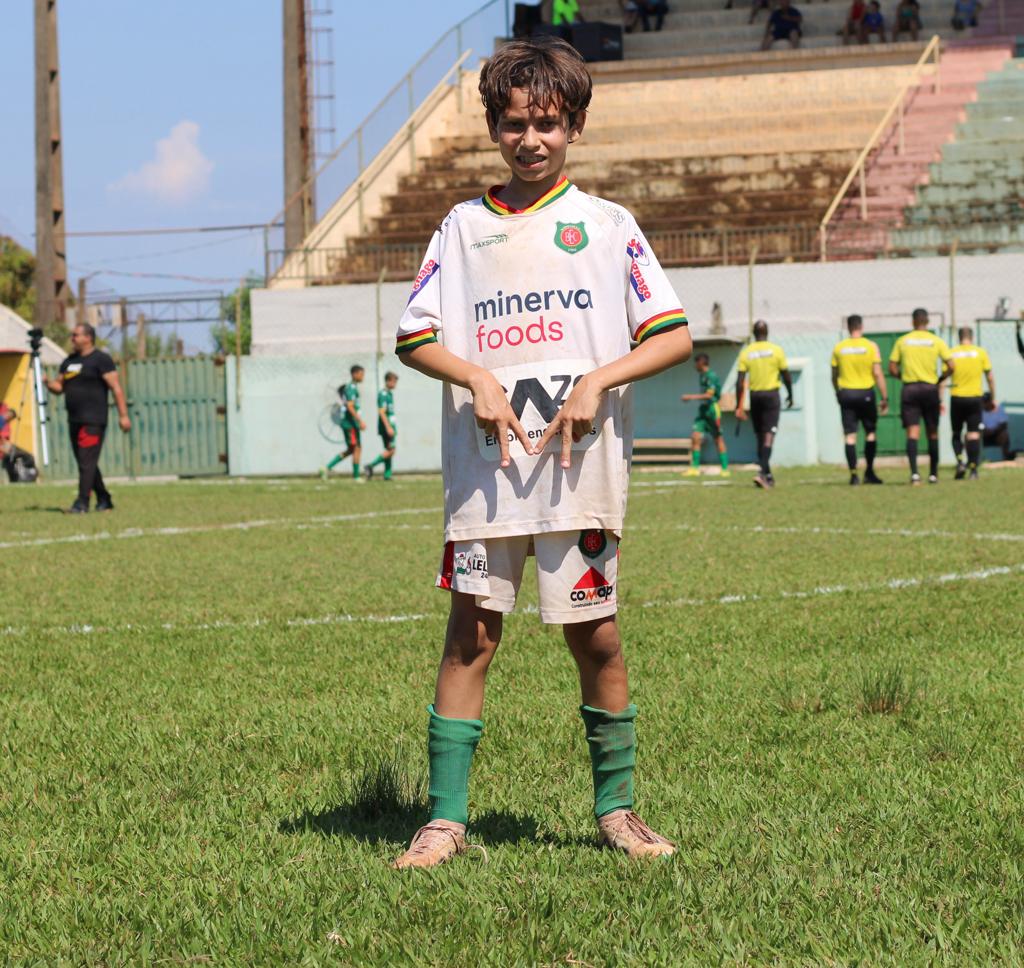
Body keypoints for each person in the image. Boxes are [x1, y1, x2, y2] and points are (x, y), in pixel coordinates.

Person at [391, 36, 692, 869]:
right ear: (495, 128)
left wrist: (600, 379)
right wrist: (476, 379)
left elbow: (670, 334)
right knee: (472, 635)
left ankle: (619, 812)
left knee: (595, 635)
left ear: (576, 126)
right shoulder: (461, 229)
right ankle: (445, 820)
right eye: (515, 124)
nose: (531, 140)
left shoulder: (607, 227)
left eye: (548, 124)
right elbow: (414, 335)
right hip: (487, 478)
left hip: (578, 472)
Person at [44, 323, 130, 513]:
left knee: (86, 461)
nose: (72, 338)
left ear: (88, 337)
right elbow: (59, 387)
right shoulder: (69, 361)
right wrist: (47, 383)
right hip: (74, 419)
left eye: (75, 335)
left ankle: (82, 503)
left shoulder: (101, 359)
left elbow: (116, 387)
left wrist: (123, 415)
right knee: (86, 462)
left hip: (94, 420)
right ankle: (104, 498)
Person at [888, 308, 953, 485]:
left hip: (910, 389)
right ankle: (933, 474)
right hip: (930, 388)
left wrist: (902, 377)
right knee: (932, 432)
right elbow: (952, 365)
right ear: (928, 322)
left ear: (913, 322)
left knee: (912, 432)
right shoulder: (936, 341)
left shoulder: (903, 341)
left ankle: (915, 474)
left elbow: (892, 367)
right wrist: (940, 379)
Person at [831, 314, 888, 485]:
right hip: (866, 394)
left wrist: (837, 392)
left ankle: (854, 474)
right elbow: (877, 373)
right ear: (861, 327)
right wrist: (885, 396)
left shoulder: (839, 348)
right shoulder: (871, 346)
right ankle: (869, 471)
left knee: (850, 435)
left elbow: (834, 375)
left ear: (848, 328)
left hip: (846, 393)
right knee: (870, 433)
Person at [735, 320, 792, 488]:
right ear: (767, 332)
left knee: (760, 435)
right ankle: (762, 472)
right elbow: (786, 375)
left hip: (755, 396)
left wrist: (739, 404)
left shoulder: (747, 352)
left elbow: (739, 381)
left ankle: (767, 475)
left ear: (753, 333)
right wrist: (791, 394)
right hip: (771, 395)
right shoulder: (776, 350)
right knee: (769, 435)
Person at [948, 327, 995, 480]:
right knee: (973, 434)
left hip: (957, 397)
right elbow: (990, 377)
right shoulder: (980, 352)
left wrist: (940, 399)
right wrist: (993, 397)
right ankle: (973, 469)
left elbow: (944, 376)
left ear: (959, 337)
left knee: (956, 432)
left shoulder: (952, 353)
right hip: (975, 398)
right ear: (972, 337)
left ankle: (960, 461)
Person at [681, 353, 729, 478]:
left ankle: (725, 469)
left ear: (701, 363)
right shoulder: (702, 376)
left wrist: (690, 397)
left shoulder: (711, 376)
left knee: (718, 438)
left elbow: (709, 395)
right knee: (695, 436)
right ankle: (694, 468)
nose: (695, 365)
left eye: (696, 362)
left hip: (712, 411)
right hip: (703, 410)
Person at [320, 364, 366, 481]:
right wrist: (360, 420)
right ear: (354, 374)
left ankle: (326, 468)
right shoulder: (350, 388)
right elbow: (350, 406)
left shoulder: (353, 387)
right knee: (356, 448)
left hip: (352, 423)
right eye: (361, 374)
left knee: (353, 449)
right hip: (349, 423)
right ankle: (355, 477)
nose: (363, 376)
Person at [365, 371, 398, 481]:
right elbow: (382, 412)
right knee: (391, 450)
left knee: (389, 449)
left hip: (390, 425)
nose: (395, 384)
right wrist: (388, 427)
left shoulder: (389, 394)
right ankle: (371, 466)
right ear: (388, 381)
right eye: (394, 382)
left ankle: (387, 475)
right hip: (386, 427)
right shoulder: (383, 394)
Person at [981, 394, 1016, 460]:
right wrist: (985, 431)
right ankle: (974, 459)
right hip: (984, 435)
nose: (984, 404)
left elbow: (1004, 424)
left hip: (996, 435)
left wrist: (993, 431)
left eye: (986, 402)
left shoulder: (999, 408)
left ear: (990, 401)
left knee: (1004, 434)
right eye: (983, 402)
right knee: (973, 436)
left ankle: (1006, 456)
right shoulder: (980, 410)